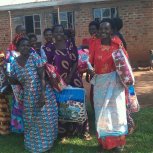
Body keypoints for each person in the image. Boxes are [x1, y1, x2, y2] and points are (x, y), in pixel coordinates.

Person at [9, 38, 58, 153]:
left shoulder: (35, 57)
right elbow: (15, 81)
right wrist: (11, 79)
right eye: (22, 46)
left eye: (27, 45)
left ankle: (47, 144)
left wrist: (42, 96)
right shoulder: (14, 63)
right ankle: (33, 145)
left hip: (42, 92)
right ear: (17, 48)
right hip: (28, 96)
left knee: (46, 120)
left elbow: (42, 77)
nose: (25, 48)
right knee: (31, 121)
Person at [88, 18, 128, 153]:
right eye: (101, 29)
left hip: (115, 84)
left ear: (111, 30)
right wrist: (89, 69)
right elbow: (90, 62)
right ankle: (104, 142)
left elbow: (124, 64)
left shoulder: (117, 44)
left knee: (116, 112)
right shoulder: (95, 44)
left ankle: (118, 143)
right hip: (100, 83)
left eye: (106, 29)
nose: (103, 31)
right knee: (101, 113)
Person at [52, 24, 91, 140]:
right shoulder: (49, 48)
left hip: (74, 78)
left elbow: (75, 62)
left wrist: (69, 77)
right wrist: (57, 80)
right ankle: (65, 132)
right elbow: (49, 66)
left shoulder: (70, 44)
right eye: (56, 32)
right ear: (53, 34)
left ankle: (83, 130)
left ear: (64, 33)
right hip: (58, 81)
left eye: (61, 31)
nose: (59, 34)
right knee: (63, 105)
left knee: (78, 102)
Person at [6, 25, 27, 133]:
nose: (23, 32)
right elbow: (8, 65)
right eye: (21, 31)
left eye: (24, 31)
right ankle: (18, 128)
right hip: (16, 82)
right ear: (16, 32)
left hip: (27, 81)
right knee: (18, 103)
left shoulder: (27, 46)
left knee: (27, 103)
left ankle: (28, 126)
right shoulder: (11, 49)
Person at [83, 21, 100, 110]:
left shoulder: (101, 41)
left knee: (98, 93)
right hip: (92, 71)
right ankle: (96, 112)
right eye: (90, 29)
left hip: (101, 72)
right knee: (93, 94)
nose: (91, 31)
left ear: (98, 30)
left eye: (93, 29)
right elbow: (90, 59)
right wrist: (88, 73)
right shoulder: (91, 41)